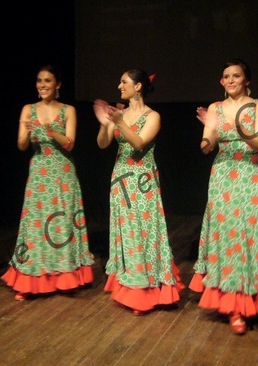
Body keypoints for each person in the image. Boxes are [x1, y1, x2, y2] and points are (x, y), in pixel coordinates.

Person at [188, 58, 258, 334]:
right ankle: (234, 306)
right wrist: (207, 138)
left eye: (236, 75)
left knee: (251, 234)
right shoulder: (214, 108)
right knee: (228, 235)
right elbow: (207, 143)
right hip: (222, 175)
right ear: (221, 82)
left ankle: (255, 297)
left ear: (247, 80)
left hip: (249, 174)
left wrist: (234, 125)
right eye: (226, 76)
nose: (231, 80)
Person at [93, 69, 184, 316]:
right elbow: (103, 144)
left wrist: (119, 121)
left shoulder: (152, 116)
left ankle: (148, 288)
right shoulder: (118, 114)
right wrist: (105, 124)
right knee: (126, 232)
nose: (119, 85)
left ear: (139, 86)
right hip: (120, 179)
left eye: (124, 81)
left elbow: (139, 142)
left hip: (142, 180)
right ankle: (131, 283)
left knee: (144, 230)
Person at [1, 64, 94, 300]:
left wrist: (49, 130)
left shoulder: (68, 110)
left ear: (58, 85)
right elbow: (22, 145)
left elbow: (70, 143)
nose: (42, 85)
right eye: (39, 80)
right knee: (35, 225)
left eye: (48, 81)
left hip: (62, 173)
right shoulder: (28, 109)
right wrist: (26, 130)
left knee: (62, 224)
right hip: (40, 172)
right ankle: (30, 278)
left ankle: (66, 277)